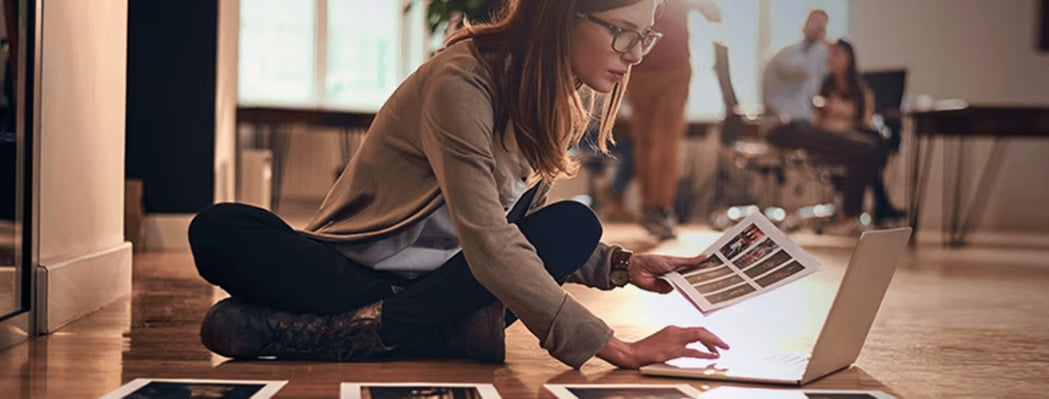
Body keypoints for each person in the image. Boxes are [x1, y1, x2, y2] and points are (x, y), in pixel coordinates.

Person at [188, 0, 729, 370]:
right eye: (624, 33)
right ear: (563, 17)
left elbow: (510, 227)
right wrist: (616, 348)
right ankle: (429, 329)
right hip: (363, 274)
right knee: (220, 229)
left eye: (647, 35)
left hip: (453, 280)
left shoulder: (558, 90)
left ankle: (368, 330)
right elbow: (490, 241)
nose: (637, 53)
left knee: (576, 225)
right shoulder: (462, 81)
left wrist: (620, 266)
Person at [620, 0, 721, 240]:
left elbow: (714, 14)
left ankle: (657, 209)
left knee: (657, 142)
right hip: (642, 65)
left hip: (663, 68)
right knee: (651, 143)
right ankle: (655, 210)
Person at [762, 9, 830, 123]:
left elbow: (813, 87)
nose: (819, 28)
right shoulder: (788, 54)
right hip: (785, 118)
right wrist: (823, 43)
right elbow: (804, 72)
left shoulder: (819, 53)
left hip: (800, 116)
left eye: (822, 25)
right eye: (815, 22)